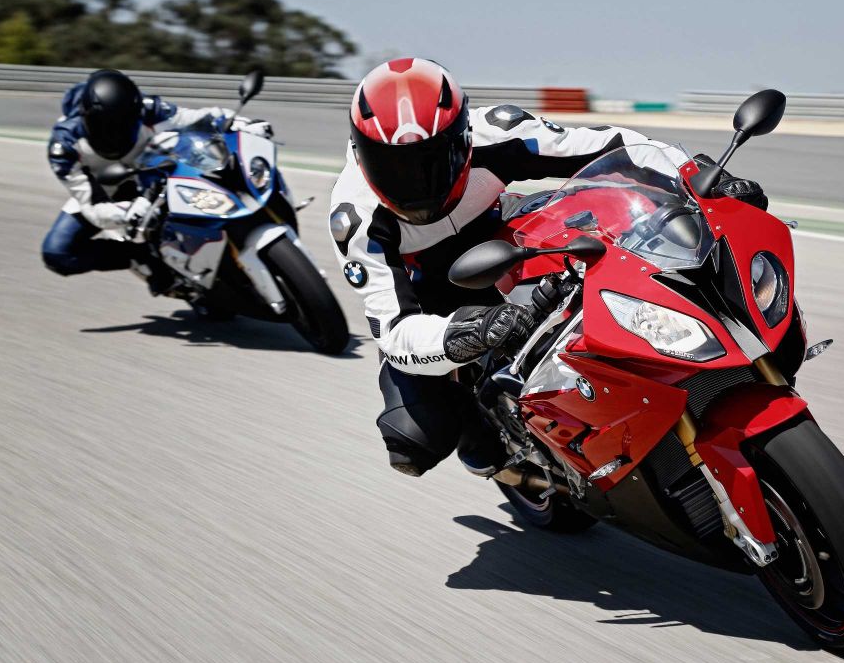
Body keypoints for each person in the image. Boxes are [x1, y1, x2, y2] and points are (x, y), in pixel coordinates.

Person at [328, 57, 767, 477]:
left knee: (612, 223)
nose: (415, 183)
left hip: (506, 231)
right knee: (418, 437)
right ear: (359, 151)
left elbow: (619, 146)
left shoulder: (497, 132)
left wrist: (696, 173)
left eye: (431, 162)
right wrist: (466, 334)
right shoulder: (355, 217)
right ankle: (494, 447)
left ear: (463, 138)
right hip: (430, 295)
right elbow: (394, 330)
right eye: (394, 167)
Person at [41, 68, 270, 290]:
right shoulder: (64, 147)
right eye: (107, 127)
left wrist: (242, 124)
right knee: (57, 253)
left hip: (153, 171)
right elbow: (91, 205)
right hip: (105, 192)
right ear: (86, 118)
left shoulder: (148, 108)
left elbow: (198, 118)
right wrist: (125, 213)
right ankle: (138, 257)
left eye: (124, 124)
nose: (116, 133)